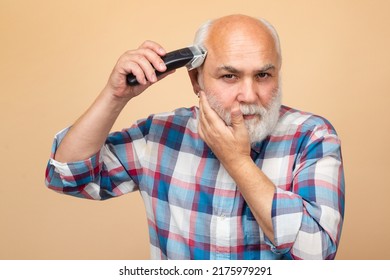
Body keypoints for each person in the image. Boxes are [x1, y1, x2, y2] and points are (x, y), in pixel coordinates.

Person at [45, 14, 345, 260]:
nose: (250, 95)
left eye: (263, 75)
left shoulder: (312, 136)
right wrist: (115, 96)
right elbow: (67, 176)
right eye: (229, 76)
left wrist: (237, 161)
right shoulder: (161, 135)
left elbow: (317, 253)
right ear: (196, 79)